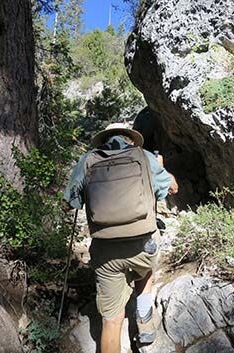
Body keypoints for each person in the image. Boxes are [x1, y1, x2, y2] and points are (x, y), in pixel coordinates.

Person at [63, 123, 178, 353]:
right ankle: (145, 327)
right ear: (130, 139)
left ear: (104, 140)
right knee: (144, 274)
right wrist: (160, 168)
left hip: (106, 253)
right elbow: (172, 188)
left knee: (112, 321)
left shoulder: (87, 161)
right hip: (143, 246)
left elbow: (68, 204)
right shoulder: (144, 156)